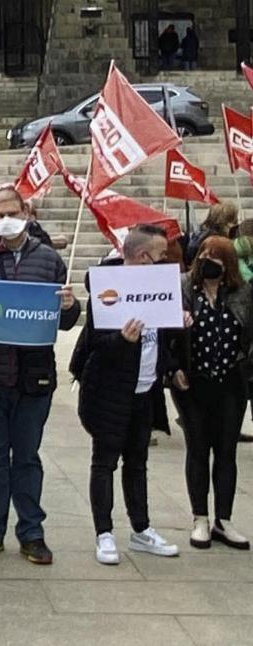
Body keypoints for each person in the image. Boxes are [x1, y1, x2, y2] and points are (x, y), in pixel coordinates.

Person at [0, 187, 80, 565]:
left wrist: (70, 306)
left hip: (34, 376)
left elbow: (65, 322)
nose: (4, 219)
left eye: (11, 212)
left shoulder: (48, 259)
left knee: (26, 457)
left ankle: (32, 532)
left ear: (25, 212)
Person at [70, 225, 181, 565]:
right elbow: (94, 344)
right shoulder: (109, 287)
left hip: (145, 390)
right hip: (109, 392)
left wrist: (176, 344)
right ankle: (104, 533)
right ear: (143, 255)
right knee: (104, 462)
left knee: (138, 462)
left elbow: (163, 339)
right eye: (161, 254)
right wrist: (122, 339)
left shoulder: (160, 287)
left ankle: (141, 528)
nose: (165, 260)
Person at [176, 236, 253, 550]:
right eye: (205, 254)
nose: (209, 260)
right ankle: (200, 519)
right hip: (192, 383)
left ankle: (224, 518)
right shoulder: (183, 289)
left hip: (231, 382)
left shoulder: (242, 294)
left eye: (216, 257)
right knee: (198, 448)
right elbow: (166, 334)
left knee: (226, 451)